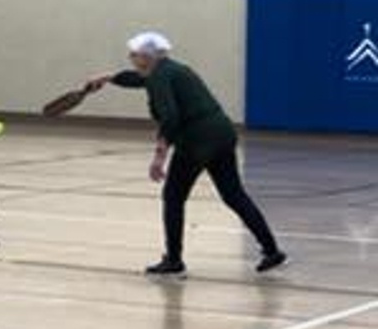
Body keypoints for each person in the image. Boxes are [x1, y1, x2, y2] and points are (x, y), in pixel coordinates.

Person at [88, 32, 286, 276]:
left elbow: (170, 118)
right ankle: (271, 250)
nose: (130, 57)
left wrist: (160, 156)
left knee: (173, 196)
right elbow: (139, 80)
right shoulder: (171, 69)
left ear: (148, 57)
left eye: (134, 54)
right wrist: (107, 78)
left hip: (197, 141)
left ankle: (173, 259)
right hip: (222, 134)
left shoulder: (160, 77)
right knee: (234, 195)